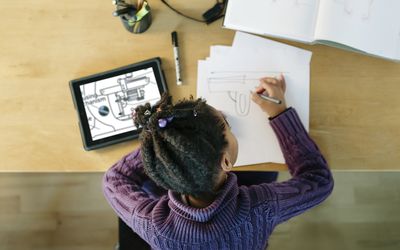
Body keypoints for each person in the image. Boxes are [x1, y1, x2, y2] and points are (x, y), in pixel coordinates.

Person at [103, 75, 334, 250]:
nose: (226, 122)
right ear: (225, 161)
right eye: (226, 126)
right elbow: (319, 180)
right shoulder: (261, 208)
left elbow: (114, 179)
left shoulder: (151, 224)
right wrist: (280, 114)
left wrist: (163, 144)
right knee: (264, 172)